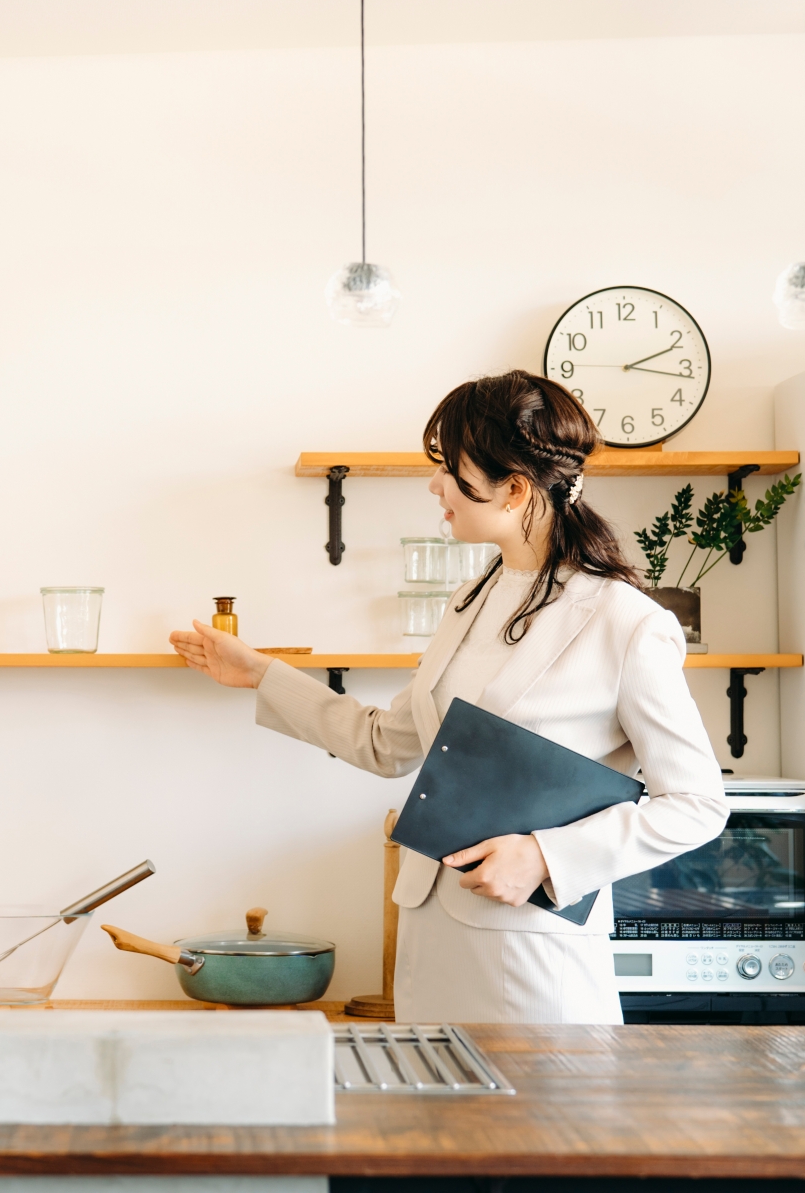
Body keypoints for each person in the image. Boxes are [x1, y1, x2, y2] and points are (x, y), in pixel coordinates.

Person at [170, 371, 728, 1023]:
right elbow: (388, 745)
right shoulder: (472, 602)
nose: (435, 485)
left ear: (514, 489)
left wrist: (547, 856)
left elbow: (697, 805)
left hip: (534, 955)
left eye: (449, 468)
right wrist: (262, 674)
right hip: (431, 943)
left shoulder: (625, 622)